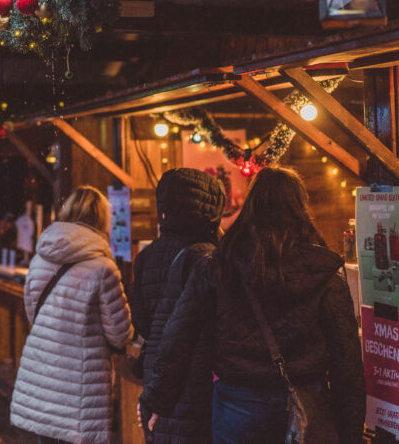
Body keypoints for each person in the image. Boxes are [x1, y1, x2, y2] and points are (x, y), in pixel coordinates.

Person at [142, 167, 365, 444]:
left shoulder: (218, 266)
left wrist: (158, 399)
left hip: (238, 404)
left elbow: (179, 334)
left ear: (251, 207)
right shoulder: (324, 274)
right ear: (300, 208)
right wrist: (350, 429)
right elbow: (347, 361)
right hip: (307, 402)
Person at [10, 186, 133, 444]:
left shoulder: (40, 259)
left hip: (42, 377)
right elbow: (119, 334)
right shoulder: (103, 268)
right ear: (102, 219)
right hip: (81, 386)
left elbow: (34, 313)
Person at [133, 168, 225, 443]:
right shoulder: (208, 258)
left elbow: (141, 323)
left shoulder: (147, 255)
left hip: (157, 380)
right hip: (199, 383)